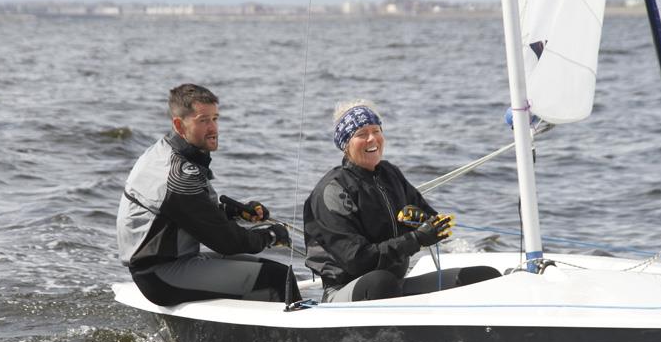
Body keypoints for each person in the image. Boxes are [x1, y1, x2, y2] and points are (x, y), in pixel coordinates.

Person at [116, 83, 300, 305]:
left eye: (215, 118)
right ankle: (293, 339)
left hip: (167, 264)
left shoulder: (162, 151)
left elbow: (181, 215)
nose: (213, 129)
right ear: (179, 124)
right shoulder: (179, 177)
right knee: (279, 279)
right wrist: (269, 236)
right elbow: (227, 242)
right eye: (203, 120)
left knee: (276, 270)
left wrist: (232, 212)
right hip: (161, 275)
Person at [303, 100, 500, 302]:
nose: (372, 139)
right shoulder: (333, 190)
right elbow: (357, 260)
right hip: (347, 289)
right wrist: (416, 239)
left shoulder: (390, 174)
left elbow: (431, 221)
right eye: (361, 134)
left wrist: (426, 223)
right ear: (346, 145)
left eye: (376, 131)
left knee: (483, 276)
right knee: (381, 281)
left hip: (395, 284)